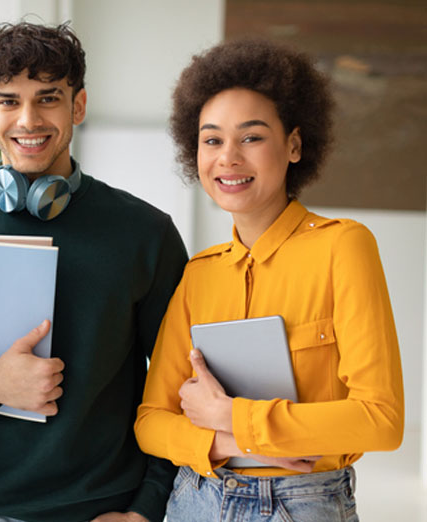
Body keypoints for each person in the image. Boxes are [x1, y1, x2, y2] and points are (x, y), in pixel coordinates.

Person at [0, 22, 188, 522]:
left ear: (78, 106)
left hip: (100, 511)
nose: (29, 119)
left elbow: (180, 388)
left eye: (48, 98)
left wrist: (146, 508)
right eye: (9, 101)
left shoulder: (146, 234)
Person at [135, 38, 405, 521]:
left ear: (294, 145)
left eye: (252, 137)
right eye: (212, 139)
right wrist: (227, 440)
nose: (228, 158)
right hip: (197, 497)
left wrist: (233, 415)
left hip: (302, 503)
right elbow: (150, 423)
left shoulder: (343, 247)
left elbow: (381, 421)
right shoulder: (199, 274)